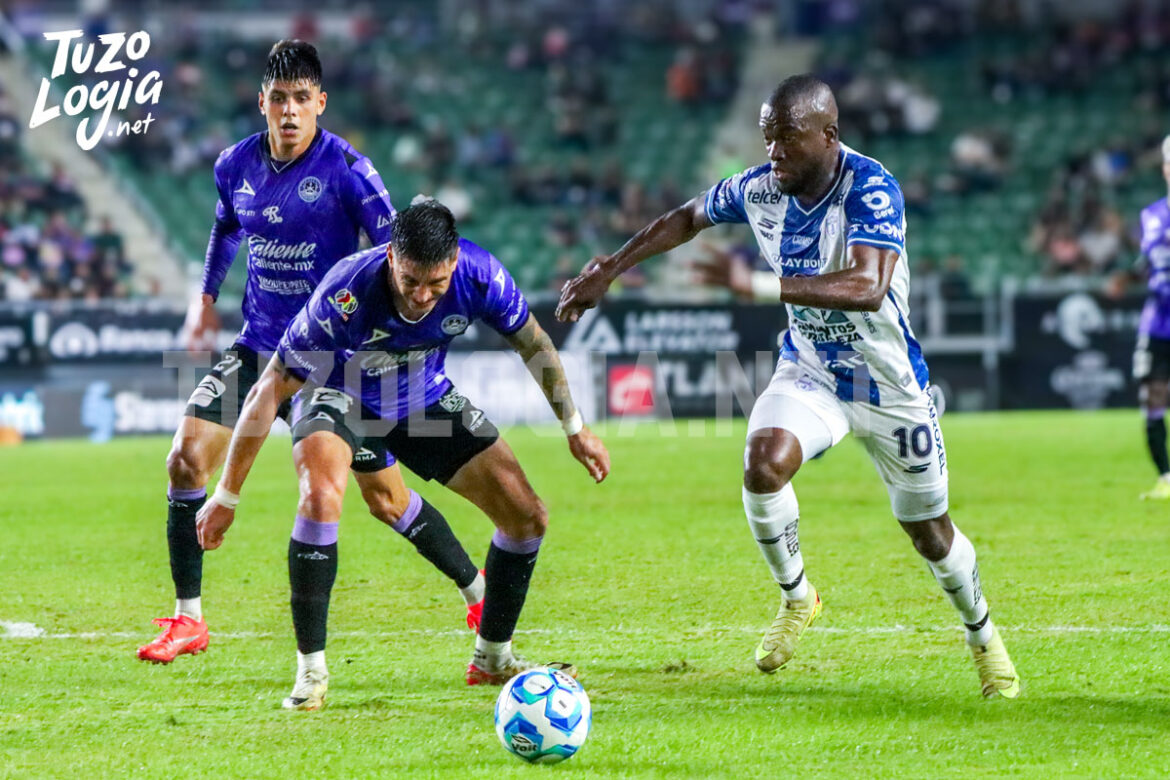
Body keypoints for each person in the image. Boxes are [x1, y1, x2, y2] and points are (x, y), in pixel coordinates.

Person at [557, 74, 1019, 699]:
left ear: (828, 136)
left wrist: (750, 286)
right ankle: (798, 597)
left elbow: (868, 286)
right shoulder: (759, 189)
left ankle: (982, 636)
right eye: (768, 139)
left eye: (787, 141)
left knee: (929, 531)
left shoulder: (871, 187)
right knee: (763, 462)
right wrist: (609, 269)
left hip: (888, 384)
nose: (773, 154)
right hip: (812, 369)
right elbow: (687, 217)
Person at [140, 41, 483, 664]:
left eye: (302, 99)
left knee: (387, 500)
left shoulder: (351, 171)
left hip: (331, 365)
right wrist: (205, 297)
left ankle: (477, 588)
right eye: (279, 99)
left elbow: (398, 259)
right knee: (186, 461)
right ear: (262, 102)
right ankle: (189, 619)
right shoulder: (232, 165)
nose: (290, 112)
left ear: (321, 103)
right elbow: (225, 226)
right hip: (259, 349)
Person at [196, 201, 610, 710]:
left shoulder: (481, 277)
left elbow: (535, 344)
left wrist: (575, 428)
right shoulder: (346, 290)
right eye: (410, 280)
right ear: (390, 255)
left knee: (526, 517)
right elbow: (272, 387)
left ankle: (493, 660)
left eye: (435, 285)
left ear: (455, 262)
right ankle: (311, 672)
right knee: (322, 496)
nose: (421, 297)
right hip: (337, 392)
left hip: (419, 396)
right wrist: (226, 495)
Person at [1134, 136, 1170, 500]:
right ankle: (1166, 478)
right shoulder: (1152, 215)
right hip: (1159, 324)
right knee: (1154, 398)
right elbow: (1149, 264)